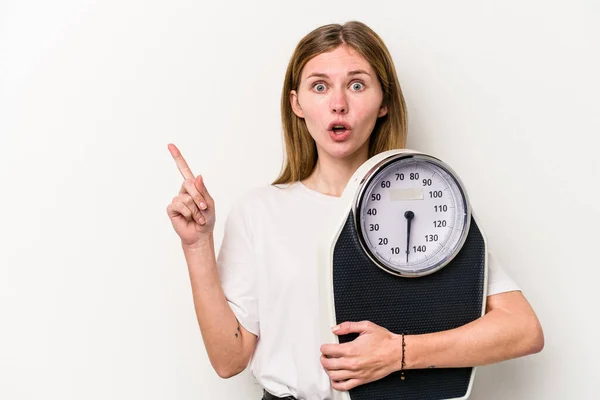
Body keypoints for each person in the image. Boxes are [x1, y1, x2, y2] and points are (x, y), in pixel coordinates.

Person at [166, 21, 544, 400]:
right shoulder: (259, 211)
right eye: (320, 86)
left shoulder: (431, 206)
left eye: (357, 84)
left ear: (384, 102)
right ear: (297, 103)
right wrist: (197, 245)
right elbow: (228, 360)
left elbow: (522, 329)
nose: (338, 103)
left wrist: (399, 353)